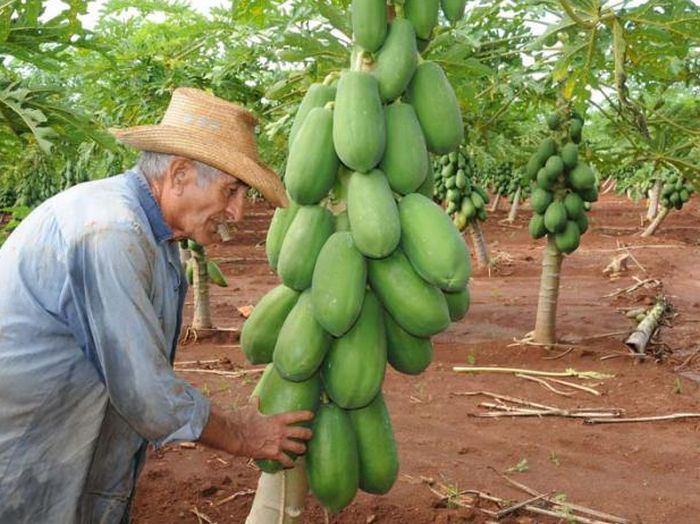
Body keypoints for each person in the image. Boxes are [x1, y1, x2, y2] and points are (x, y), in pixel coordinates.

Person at [0, 87, 313, 523]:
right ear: (180, 174)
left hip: (64, 435)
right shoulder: (111, 233)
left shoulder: (157, 236)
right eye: (231, 191)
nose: (239, 212)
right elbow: (146, 393)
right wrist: (243, 434)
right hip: (26, 449)